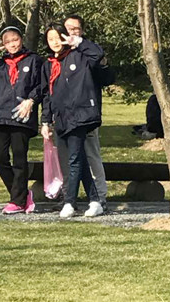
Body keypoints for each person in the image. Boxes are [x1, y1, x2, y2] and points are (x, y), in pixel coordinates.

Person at [0, 26, 42, 214]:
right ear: (3, 45)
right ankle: (22, 195)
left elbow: (41, 85)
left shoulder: (33, 60)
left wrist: (31, 100)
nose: (12, 44)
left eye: (15, 40)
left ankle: (17, 201)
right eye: (7, 42)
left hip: (21, 115)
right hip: (0, 115)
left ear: (21, 39)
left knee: (19, 158)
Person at [41, 22, 104, 218]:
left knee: (74, 159)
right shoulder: (49, 64)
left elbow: (98, 55)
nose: (55, 42)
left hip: (80, 115)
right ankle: (95, 200)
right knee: (79, 159)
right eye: (50, 39)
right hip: (61, 118)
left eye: (57, 37)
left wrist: (78, 42)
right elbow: (47, 94)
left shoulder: (79, 55)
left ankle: (70, 202)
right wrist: (45, 121)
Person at [62, 15, 113, 212]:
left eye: (75, 28)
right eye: (68, 28)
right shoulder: (60, 54)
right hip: (65, 116)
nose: (71, 32)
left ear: (82, 31)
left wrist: (81, 44)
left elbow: (106, 72)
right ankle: (69, 196)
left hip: (87, 114)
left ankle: (100, 195)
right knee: (70, 157)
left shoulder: (89, 52)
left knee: (91, 155)